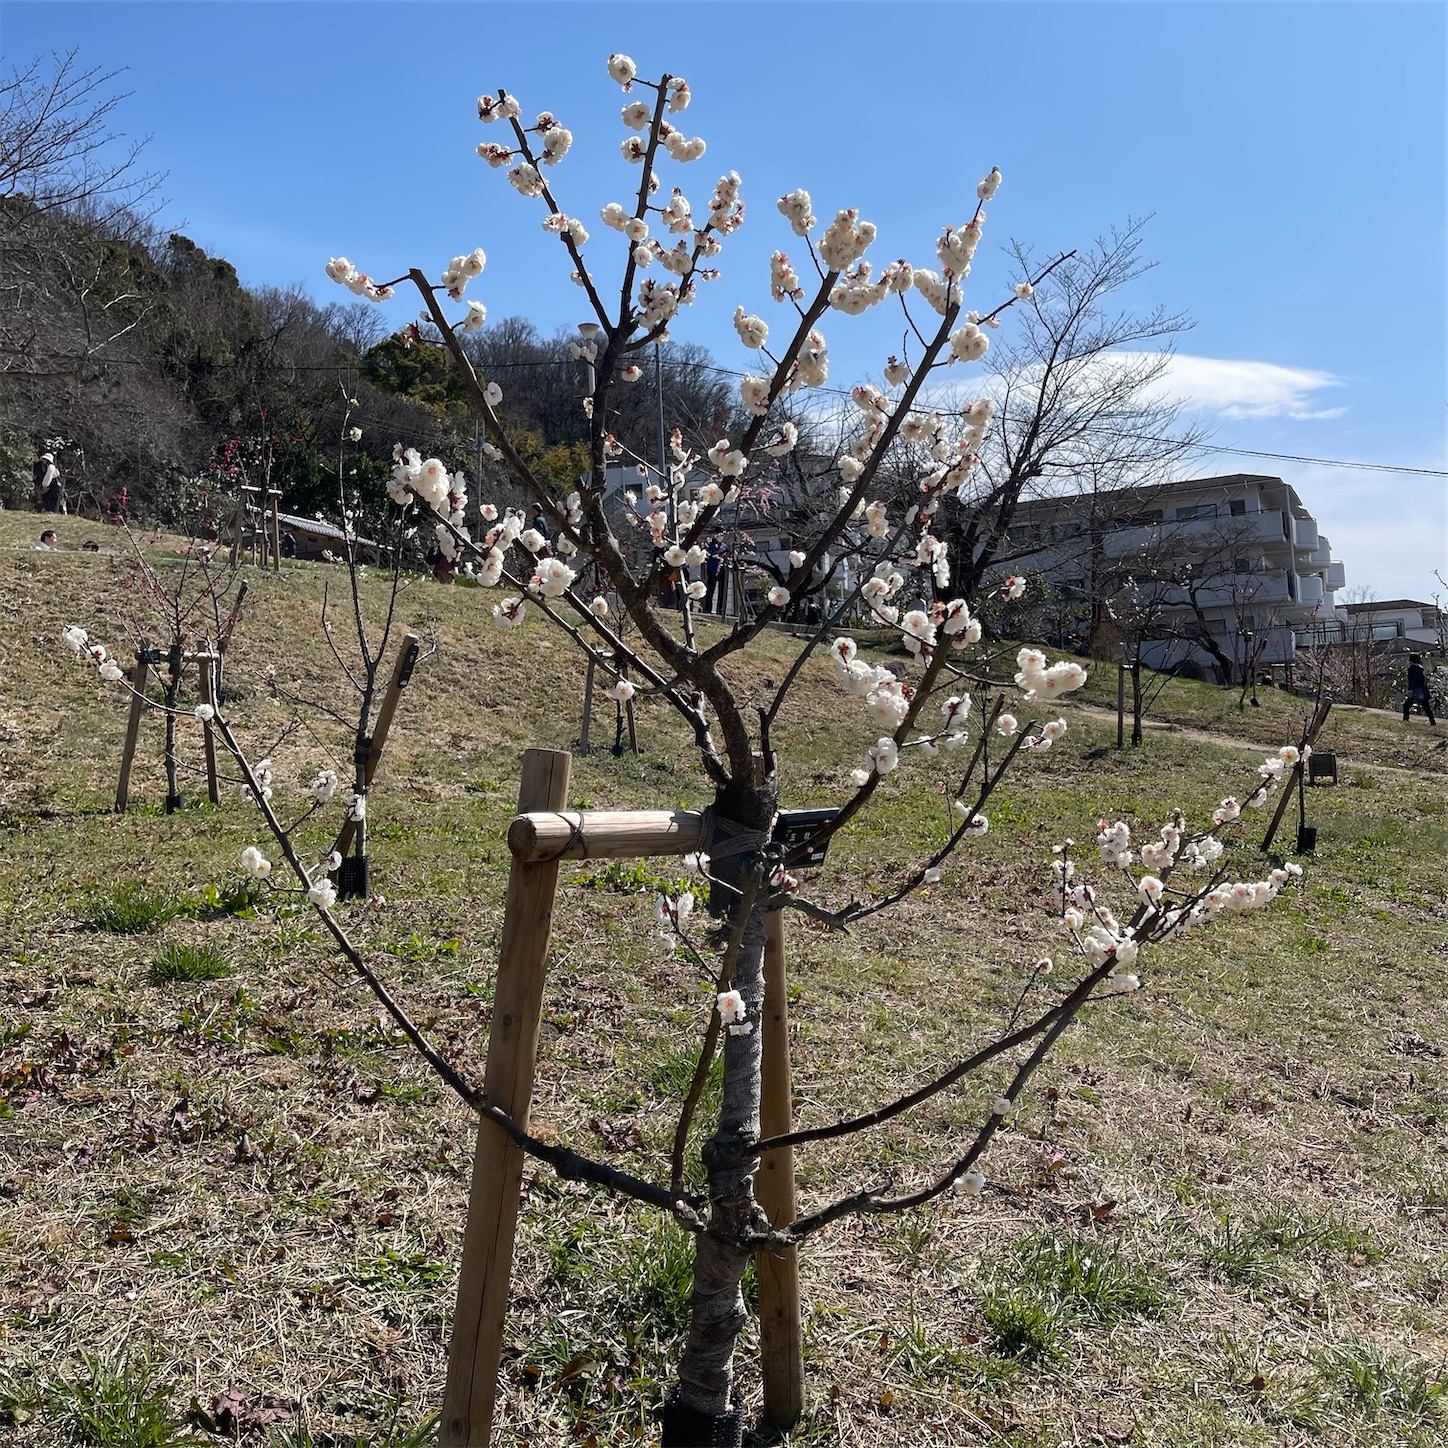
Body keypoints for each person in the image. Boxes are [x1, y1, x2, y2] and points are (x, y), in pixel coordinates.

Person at [1403, 654, 1437, 726]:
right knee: (1426, 707)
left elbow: (1412, 681)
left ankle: (1405, 720)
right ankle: (1432, 722)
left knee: (1406, 705)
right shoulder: (1420, 668)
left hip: (1415, 691)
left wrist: (1410, 690)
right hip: (1423, 690)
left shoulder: (1412, 669)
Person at [703, 531, 727, 614]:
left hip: (722, 570)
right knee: (710, 590)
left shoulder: (724, 545)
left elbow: (726, 556)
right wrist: (717, 552)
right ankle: (708, 609)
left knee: (722, 591)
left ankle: (720, 610)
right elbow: (709, 554)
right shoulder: (710, 544)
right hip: (712, 569)